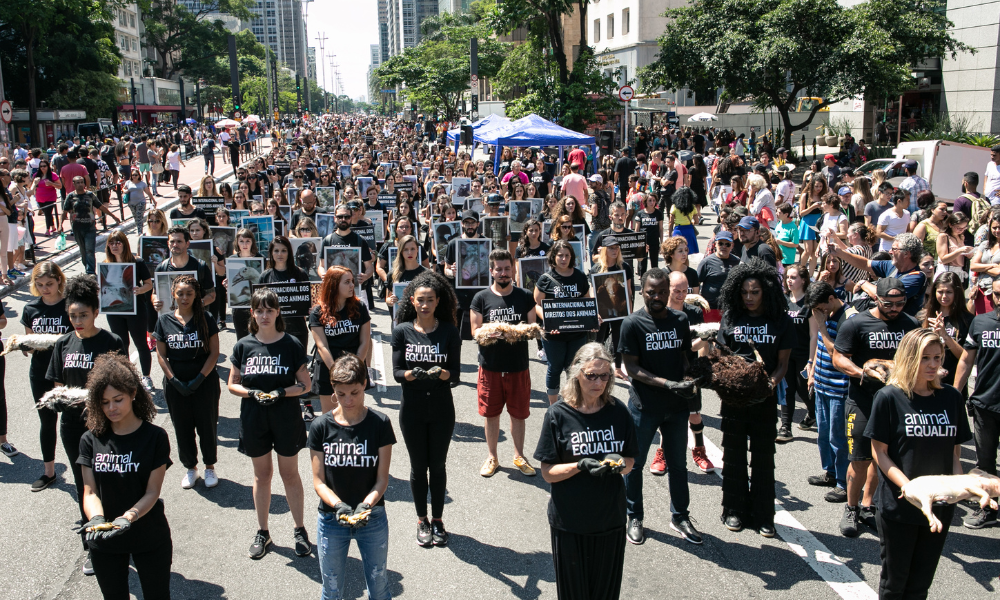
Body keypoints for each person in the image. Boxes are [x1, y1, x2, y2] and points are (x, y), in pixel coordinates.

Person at [866, 328, 972, 599]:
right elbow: (879, 452)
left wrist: (960, 489)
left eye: (938, 357)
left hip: (940, 508)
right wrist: (910, 487)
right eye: (925, 358)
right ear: (909, 358)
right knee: (894, 583)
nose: (933, 364)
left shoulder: (951, 398)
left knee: (920, 585)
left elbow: (954, 452)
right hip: (900, 506)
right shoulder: (889, 397)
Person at [533, 342, 637, 600]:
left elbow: (631, 462)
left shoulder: (618, 411)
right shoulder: (558, 414)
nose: (598, 382)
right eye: (591, 375)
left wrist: (618, 463)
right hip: (570, 523)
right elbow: (547, 473)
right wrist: (579, 465)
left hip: (610, 521)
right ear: (577, 374)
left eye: (605, 375)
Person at [47, 275, 126, 574]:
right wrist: (57, 399)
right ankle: (93, 542)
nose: (77, 320)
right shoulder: (64, 344)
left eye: (83, 314)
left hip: (106, 424)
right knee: (85, 484)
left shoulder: (111, 342)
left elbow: (123, 387)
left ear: (96, 312)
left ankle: (117, 532)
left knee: (111, 481)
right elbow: (57, 383)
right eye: (72, 315)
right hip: (73, 427)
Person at [77, 354, 173, 599]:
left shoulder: (155, 437)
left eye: (117, 400)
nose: (111, 408)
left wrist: (129, 517)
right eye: (104, 402)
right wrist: (97, 518)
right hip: (105, 539)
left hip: (148, 534)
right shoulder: (90, 439)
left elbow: (153, 491)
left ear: (132, 393)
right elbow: (89, 491)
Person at [618, 268, 702, 546]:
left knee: (678, 465)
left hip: (676, 407)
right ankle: (635, 516)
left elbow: (686, 357)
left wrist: (694, 378)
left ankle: (680, 516)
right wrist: (667, 384)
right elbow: (631, 367)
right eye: (651, 292)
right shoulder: (632, 324)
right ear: (642, 292)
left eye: (662, 292)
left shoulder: (680, 319)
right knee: (635, 464)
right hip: (645, 406)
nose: (657, 297)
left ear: (669, 292)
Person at [228, 288, 312, 560]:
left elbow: (305, 385)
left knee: (289, 475)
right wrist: (251, 393)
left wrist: (281, 392)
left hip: (286, 417)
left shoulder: (291, 344)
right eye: (259, 310)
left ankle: (299, 529)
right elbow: (232, 384)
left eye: (270, 310)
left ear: (278, 312)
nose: (264, 315)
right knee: (262, 475)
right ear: (252, 313)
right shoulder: (243, 345)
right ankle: (263, 531)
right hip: (254, 418)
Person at [833, 277, 920, 537]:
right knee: (860, 459)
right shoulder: (856, 323)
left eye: (900, 303)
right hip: (862, 401)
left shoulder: (911, 325)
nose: (894, 308)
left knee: (882, 458)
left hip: (897, 405)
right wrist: (861, 373)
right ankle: (851, 507)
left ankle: (868, 506)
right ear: (876, 299)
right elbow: (838, 358)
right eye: (888, 303)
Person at [307, 353, 394, 600]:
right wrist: (339, 506)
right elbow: (318, 481)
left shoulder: (380, 423)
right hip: (332, 518)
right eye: (341, 393)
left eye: (354, 392)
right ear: (333, 389)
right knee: (332, 589)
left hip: (372, 517)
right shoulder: (320, 427)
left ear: (364, 384)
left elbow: (382, 479)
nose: (348, 400)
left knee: (378, 587)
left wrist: (366, 505)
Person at [716, 258, 793, 537]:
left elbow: (783, 363)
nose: (749, 297)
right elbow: (722, 356)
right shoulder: (731, 317)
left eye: (755, 292)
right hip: (734, 399)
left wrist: (769, 385)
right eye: (745, 292)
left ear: (766, 291)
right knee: (733, 456)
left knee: (763, 458)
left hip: (765, 398)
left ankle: (764, 515)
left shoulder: (780, 320)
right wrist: (729, 380)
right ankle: (734, 510)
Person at [390, 271, 462, 547]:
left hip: (442, 408)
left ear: (437, 301)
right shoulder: (402, 331)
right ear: (411, 300)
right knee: (419, 467)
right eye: (420, 300)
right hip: (413, 409)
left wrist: (441, 373)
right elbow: (396, 372)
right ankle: (421, 519)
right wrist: (412, 375)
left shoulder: (448, 330)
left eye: (430, 300)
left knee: (438, 465)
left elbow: (455, 373)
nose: (425, 305)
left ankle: (439, 519)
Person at [470, 249, 538, 478]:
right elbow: (475, 331)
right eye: (498, 269)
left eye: (507, 269)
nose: (503, 273)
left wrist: (519, 331)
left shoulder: (525, 296)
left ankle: (519, 455)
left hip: (518, 366)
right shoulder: (481, 298)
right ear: (491, 271)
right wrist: (491, 333)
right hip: (490, 367)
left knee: (519, 414)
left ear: (513, 269)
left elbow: (531, 328)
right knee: (491, 414)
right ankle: (492, 457)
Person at [154, 275, 221, 490]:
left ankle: (209, 466)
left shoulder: (206, 319)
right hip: (176, 384)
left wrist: (199, 378)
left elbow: (214, 353)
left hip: (204, 382)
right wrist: (174, 381)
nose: (184, 297)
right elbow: (161, 355)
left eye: (189, 293)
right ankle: (191, 468)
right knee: (182, 428)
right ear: (174, 294)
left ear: (196, 295)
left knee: (207, 426)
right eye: (180, 293)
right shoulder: (164, 320)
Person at [954, 277, 1000, 529]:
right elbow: (965, 360)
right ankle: (988, 509)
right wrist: (954, 394)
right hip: (984, 404)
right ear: (992, 297)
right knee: (985, 463)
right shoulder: (980, 322)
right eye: (998, 295)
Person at [22, 262, 71, 492]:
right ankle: (49, 471)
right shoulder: (30, 308)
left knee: (74, 421)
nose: (44, 289)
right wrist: (25, 346)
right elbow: (28, 343)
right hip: (40, 371)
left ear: (59, 280)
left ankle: (87, 470)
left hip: (68, 370)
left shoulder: (69, 306)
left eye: (49, 284)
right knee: (47, 421)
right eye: (39, 285)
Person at [805, 281, 851, 503]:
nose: (819, 313)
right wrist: (812, 372)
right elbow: (821, 347)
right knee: (823, 434)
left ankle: (843, 482)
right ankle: (830, 472)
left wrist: (822, 327)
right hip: (822, 383)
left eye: (821, 307)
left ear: (832, 299)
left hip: (838, 388)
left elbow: (838, 353)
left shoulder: (848, 318)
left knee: (838, 437)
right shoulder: (826, 313)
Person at [534, 240, 595, 405]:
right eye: (560, 255)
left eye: (567, 255)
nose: (563, 259)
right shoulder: (545, 279)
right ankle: (553, 405)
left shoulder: (580, 276)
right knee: (554, 368)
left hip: (577, 334)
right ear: (553, 257)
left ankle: (571, 401)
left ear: (571, 257)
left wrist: (592, 319)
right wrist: (546, 319)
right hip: (553, 334)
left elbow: (586, 301)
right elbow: (537, 304)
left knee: (574, 369)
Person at [310, 266, 372, 414]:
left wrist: (354, 369)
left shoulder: (360, 307)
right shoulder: (317, 312)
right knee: (330, 416)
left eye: (352, 281)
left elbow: (365, 342)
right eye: (347, 282)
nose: (352, 285)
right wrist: (336, 373)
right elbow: (322, 346)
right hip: (328, 369)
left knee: (354, 413)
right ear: (333, 284)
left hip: (354, 367)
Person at [828, 231, 927, 317]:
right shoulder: (893, 266)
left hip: (902, 330)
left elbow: (887, 297)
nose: (890, 252)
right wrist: (840, 253)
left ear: (906, 254)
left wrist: (864, 284)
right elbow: (866, 263)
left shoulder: (916, 277)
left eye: (894, 249)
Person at [103, 231, 154, 392]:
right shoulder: (106, 265)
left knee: (140, 343)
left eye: (118, 242)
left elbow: (148, 284)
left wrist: (139, 290)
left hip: (135, 308)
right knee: (121, 344)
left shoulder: (137, 262)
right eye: (111, 243)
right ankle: (126, 377)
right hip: (114, 310)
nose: (115, 246)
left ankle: (146, 376)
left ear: (125, 244)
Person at [777, 264, 815, 443]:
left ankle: (813, 413)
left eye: (793, 277)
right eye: (787, 277)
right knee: (787, 390)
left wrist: (811, 360)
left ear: (804, 280)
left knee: (804, 389)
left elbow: (814, 334)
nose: (789, 280)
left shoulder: (809, 302)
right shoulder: (783, 300)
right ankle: (785, 427)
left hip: (803, 354)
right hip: (786, 354)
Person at [919, 272, 971, 388]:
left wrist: (945, 336)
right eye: (940, 292)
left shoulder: (967, 320)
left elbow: (966, 358)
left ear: (957, 293)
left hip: (952, 382)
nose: (944, 296)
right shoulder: (923, 317)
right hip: (924, 384)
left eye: (949, 292)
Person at [62, 175, 120, 275]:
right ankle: (87, 267)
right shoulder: (71, 197)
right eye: (78, 182)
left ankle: (90, 272)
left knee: (89, 250)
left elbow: (101, 206)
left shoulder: (90, 195)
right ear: (74, 184)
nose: (80, 184)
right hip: (77, 228)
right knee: (83, 250)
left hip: (90, 228)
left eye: (82, 182)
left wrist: (113, 216)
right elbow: (64, 211)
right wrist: (60, 225)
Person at [151, 226, 217, 314]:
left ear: (187, 244)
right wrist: (155, 300)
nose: (175, 244)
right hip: (171, 320)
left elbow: (212, 294)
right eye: (172, 241)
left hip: (195, 319)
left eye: (179, 241)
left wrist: (200, 303)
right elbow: (154, 293)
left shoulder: (200, 266)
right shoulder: (162, 268)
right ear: (168, 243)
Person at [696, 230, 740, 322]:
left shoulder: (737, 262)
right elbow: (696, 284)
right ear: (715, 244)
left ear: (732, 245)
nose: (724, 246)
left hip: (731, 309)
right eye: (720, 243)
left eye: (727, 244)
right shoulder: (706, 262)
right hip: (711, 309)